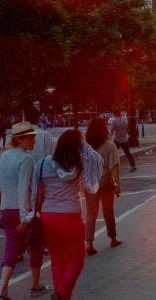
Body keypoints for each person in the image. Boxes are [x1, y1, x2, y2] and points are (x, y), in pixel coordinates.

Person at [30, 130, 102, 300]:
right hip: (70, 216)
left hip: (48, 216)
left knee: (57, 260)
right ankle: (61, 294)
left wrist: (33, 214)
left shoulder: (41, 164)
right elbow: (94, 170)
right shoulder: (78, 165)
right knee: (77, 260)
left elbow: (35, 194)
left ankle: (61, 294)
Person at [0, 122, 49, 300]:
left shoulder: (4, 156)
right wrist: (25, 217)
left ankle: (3, 289)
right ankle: (35, 285)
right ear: (19, 139)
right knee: (36, 246)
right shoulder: (26, 159)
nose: (34, 141)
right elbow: (23, 188)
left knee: (11, 248)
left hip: (6, 208)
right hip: (23, 210)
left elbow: (5, 185)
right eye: (30, 138)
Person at [83, 118, 122, 256]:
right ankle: (113, 238)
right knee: (108, 211)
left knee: (91, 213)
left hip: (89, 184)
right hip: (105, 182)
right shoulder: (109, 146)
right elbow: (114, 167)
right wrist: (117, 184)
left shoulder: (85, 147)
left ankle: (89, 243)